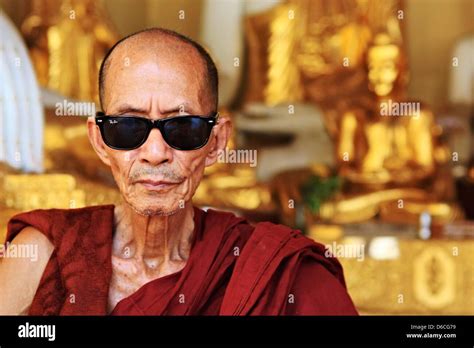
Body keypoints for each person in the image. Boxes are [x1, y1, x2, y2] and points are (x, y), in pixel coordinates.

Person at [0, 28, 357, 315]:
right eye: (128, 128)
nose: (155, 153)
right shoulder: (43, 253)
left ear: (217, 143)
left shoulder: (280, 275)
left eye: (183, 129)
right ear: (99, 141)